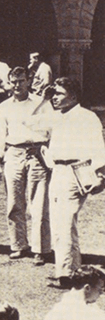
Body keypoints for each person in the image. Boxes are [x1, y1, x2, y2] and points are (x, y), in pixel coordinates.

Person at [29, 78, 105, 287]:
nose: (55, 97)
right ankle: (74, 271)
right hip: (58, 171)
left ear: (73, 96)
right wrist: (44, 100)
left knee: (63, 222)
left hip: (77, 172)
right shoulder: (56, 116)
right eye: (53, 93)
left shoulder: (87, 117)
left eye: (59, 93)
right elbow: (30, 122)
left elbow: (98, 148)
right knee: (62, 224)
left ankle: (66, 275)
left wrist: (100, 176)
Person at [0, 67, 52, 263]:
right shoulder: (4, 106)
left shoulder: (42, 104)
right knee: (14, 203)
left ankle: (40, 250)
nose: (17, 85)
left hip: (37, 155)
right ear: (9, 83)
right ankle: (18, 245)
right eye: (14, 82)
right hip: (13, 154)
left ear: (29, 81)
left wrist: (48, 155)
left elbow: (51, 131)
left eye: (21, 81)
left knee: (39, 204)